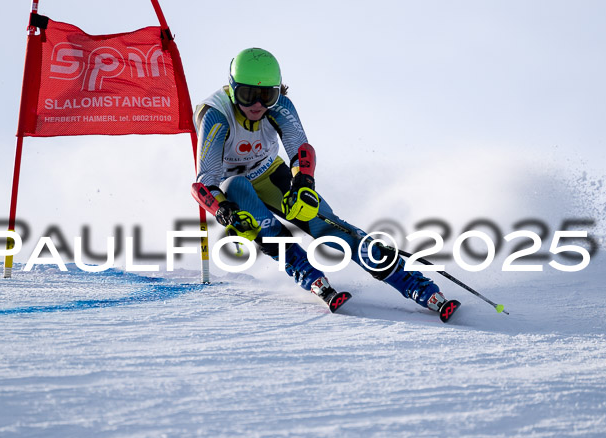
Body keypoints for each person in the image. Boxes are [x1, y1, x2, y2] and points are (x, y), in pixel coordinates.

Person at [191, 47, 448, 313]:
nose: (258, 104)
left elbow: (301, 150)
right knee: (246, 200)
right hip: (231, 186)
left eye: (267, 95)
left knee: (330, 226)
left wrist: (303, 184)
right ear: (232, 89)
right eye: (248, 95)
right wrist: (225, 212)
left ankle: (413, 283)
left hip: (269, 172)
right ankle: (307, 273)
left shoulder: (279, 106)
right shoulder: (216, 116)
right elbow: (203, 184)